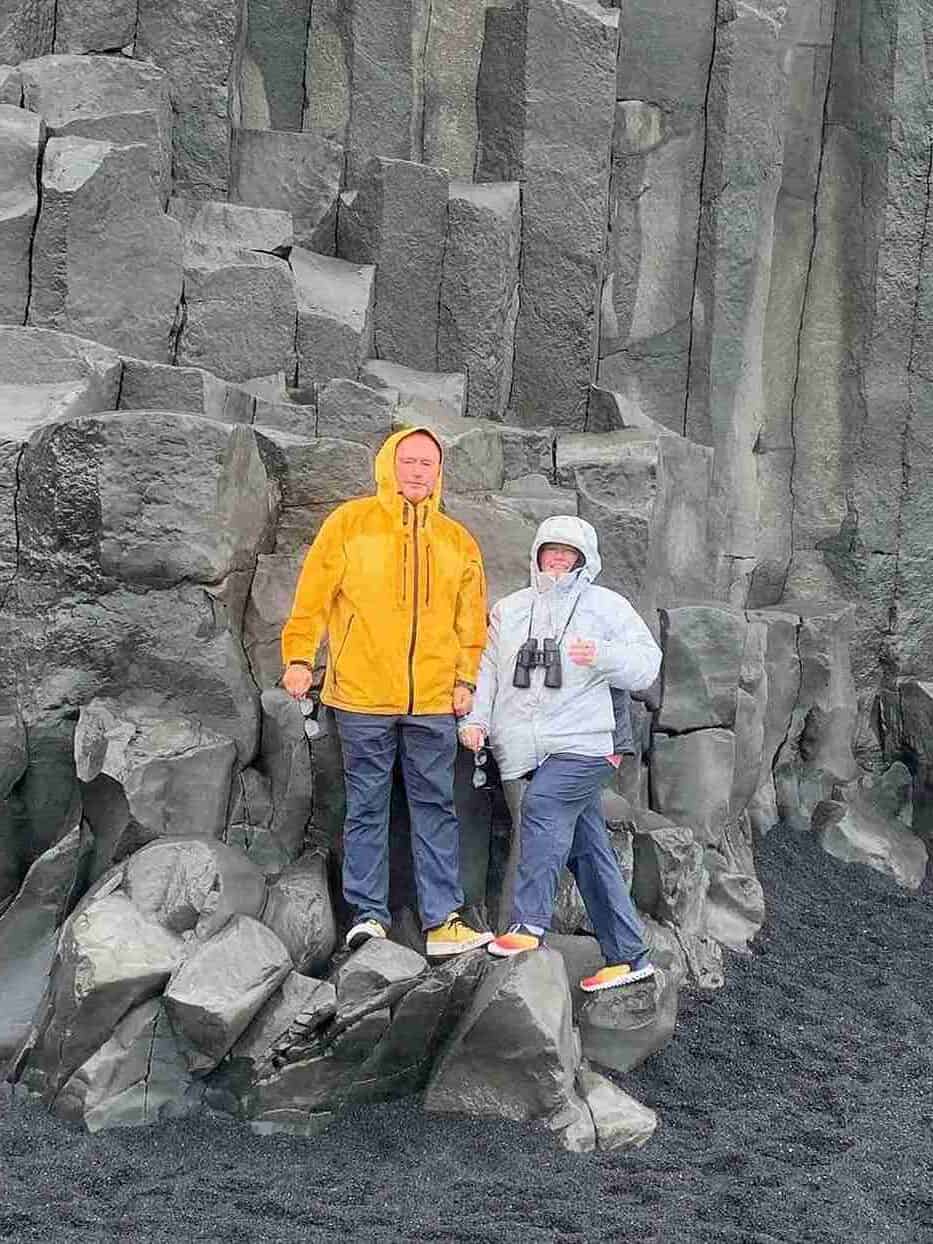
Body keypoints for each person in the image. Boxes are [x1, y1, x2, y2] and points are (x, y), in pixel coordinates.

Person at [281, 427, 493, 958]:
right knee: (367, 806)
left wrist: (466, 679)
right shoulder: (349, 524)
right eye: (409, 461)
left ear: (439, 472)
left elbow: (473, 623)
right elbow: (311, 596)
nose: (417, 470)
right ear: (387, 465)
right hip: (359, 697)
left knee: (436, 806)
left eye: (428, 463)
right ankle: (368, 916)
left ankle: (443, 920)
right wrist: (300, 657)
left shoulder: (457, 540)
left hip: (433, 702)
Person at [458, 515, 662, 991]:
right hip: (529, 748)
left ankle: (529, 924)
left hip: (585, 743)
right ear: (536, 553)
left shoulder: (606, 606)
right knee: (588, 850)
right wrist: (476, 721)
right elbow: (488, 671)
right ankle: (629, 954)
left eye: (568, 553)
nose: (558, 559)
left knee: (544, 807)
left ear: (584, 559)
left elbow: (646, 665)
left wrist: (603, 655)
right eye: (551, 550)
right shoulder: (510, 610)